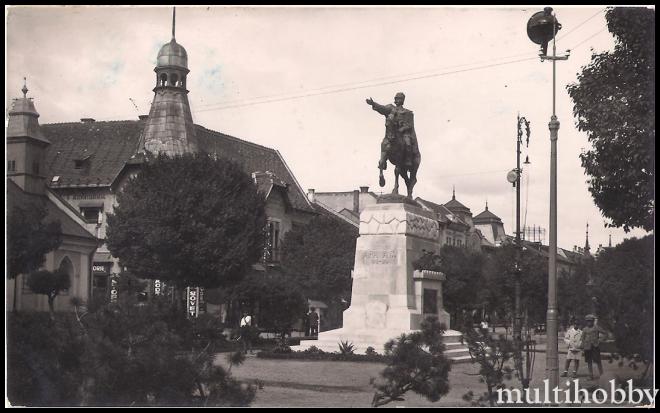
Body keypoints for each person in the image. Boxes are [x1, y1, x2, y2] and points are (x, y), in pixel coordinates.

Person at [365, 93, 420, 175]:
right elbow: (382, 108)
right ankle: (383, 162)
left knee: (408, 143)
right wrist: (373, 103)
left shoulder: (408, 112)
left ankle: (408, 161)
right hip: (391, 132)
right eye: (396, 99)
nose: (397, 100)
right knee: (384, 143)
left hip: (403, 133)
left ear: (402, 100)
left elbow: (409, 125)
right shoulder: (390, 108)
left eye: (399, 99)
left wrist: (402, 129)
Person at [581, 314, 604, 380]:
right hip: (587, 347)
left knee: (598, 361)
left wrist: (599, 340)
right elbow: (582, 338)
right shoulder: (584, 329)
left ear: (593, 321)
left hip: (595, 346)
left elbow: (605, 333)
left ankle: (602, 375)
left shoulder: (596, 327)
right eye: (588, 321)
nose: (589, 322)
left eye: (590, 321)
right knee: (589, 361)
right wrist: (583, 346)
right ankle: (590, 375)